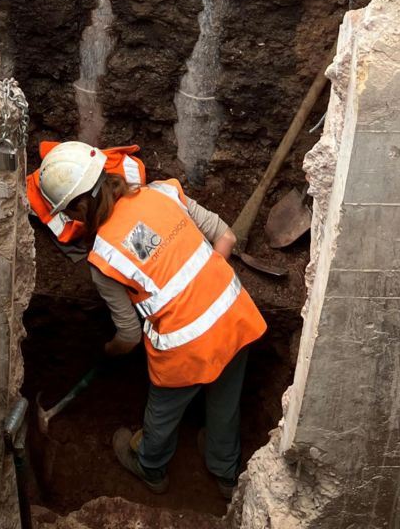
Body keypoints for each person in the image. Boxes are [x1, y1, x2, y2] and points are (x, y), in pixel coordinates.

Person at [38, 141, 267, 499]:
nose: (72, 218)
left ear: (81, 205)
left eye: (69, 211)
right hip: (234, 315)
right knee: (225, 401)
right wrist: (202, 287)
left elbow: (128, 335)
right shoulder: (163, 192)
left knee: (161, 415)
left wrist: (110, 350)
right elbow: (226, 236)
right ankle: (225, 473)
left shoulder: (103, 259)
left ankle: (151, 467)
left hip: (184, 347)